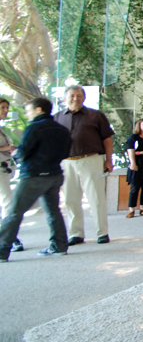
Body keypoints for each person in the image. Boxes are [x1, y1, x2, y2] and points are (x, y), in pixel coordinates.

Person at [0, 97, 73, 262]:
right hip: (55, 175)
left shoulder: (34, 128)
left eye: (28, 110)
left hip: (33, 176)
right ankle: (60, 246)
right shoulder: (62, 129)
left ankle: (2, 250)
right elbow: (66, 153)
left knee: (14, 212)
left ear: (39, 110)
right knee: (53, 211)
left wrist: (16, 156)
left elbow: (23, 152)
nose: (27, 114)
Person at [54, 85, 114, 245]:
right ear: (65, 98)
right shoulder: (57, 117)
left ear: (84, 98)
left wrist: (109, 160)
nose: (75, 98)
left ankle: (102, 232)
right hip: (66, 162)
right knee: (70, 199)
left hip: (91, 160)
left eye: (79, 95)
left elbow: (107, 139)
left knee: (96, 197)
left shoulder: (95, 116)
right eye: (72, 95)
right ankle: (76, 233)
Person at [0, 98, 23, 252]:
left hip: (5, 170)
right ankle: (9, 237)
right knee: (9, 202)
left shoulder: (2, 128)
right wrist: (6, 147)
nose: (5, 111)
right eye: (2, 107)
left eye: (7, 108)